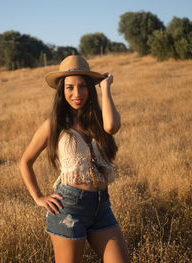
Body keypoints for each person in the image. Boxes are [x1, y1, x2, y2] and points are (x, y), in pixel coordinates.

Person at [19, 55, 130, 263]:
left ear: (90, 88)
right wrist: (38, 197)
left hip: (102, 206)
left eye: (83, 86)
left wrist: (105, 88)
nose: (77, 93)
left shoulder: (98, 119)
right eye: (70, 87)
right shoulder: (55, 123)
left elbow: (112, 126)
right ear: (62, 90)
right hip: (69, 207)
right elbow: (25, 161)